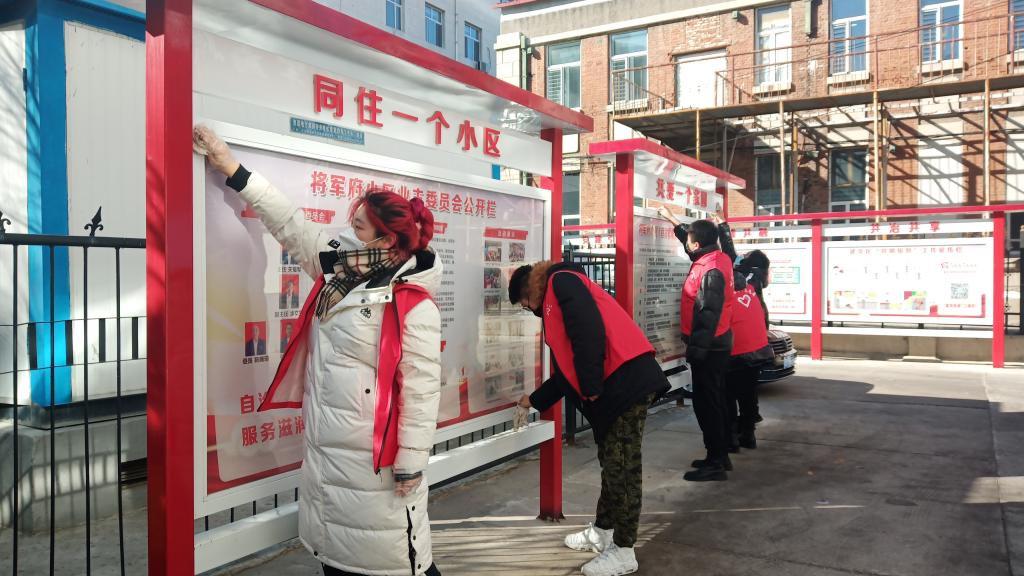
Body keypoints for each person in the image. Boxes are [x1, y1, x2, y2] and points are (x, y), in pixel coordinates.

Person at [194, 125, 444, 576]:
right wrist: (230, 167)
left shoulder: (413, 303)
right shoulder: (339, 267)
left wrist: (411, 461)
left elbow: (421, 390)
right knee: (337, 555)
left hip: (376, 463)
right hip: (328, 449)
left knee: (391, 560)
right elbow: (290, 224)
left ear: (386, 240)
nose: (349, 231)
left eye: (359, 226)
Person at [509, 260, 669, 576]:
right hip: (618, 385)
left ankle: (624, 551)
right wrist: (533, 400)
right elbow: (567, 373)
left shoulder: (560, 282)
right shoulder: (560, 292)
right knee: (612, 464)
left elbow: (588, 332)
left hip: (624, 385)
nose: (528, 310)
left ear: (529, 291)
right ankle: (603, 532)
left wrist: (592, 386)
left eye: (524, 304)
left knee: (622, 471)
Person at [657, 207, 734, 482]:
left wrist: (696, 351)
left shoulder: (710, 270)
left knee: (707, 404)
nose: (687, 244)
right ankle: (720, 455)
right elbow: (691, 245)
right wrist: (672, 220)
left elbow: (707, 314)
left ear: (697, 244)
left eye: (689, 240)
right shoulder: (716, 258)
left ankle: (716, 462)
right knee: (713, 401)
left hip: (709, 348)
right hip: (714, 346)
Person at [715, 217, 772, 447]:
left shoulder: (739, 276)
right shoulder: (756, 282)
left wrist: (723, 228)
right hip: (757, 346)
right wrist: (723, 226)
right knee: (748, 392)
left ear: (748, 263)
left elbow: (730, 252)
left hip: (736, 346)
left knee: (728, 393)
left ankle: (731, 439)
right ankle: (748, 435)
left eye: (745, 256)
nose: (741, 257)